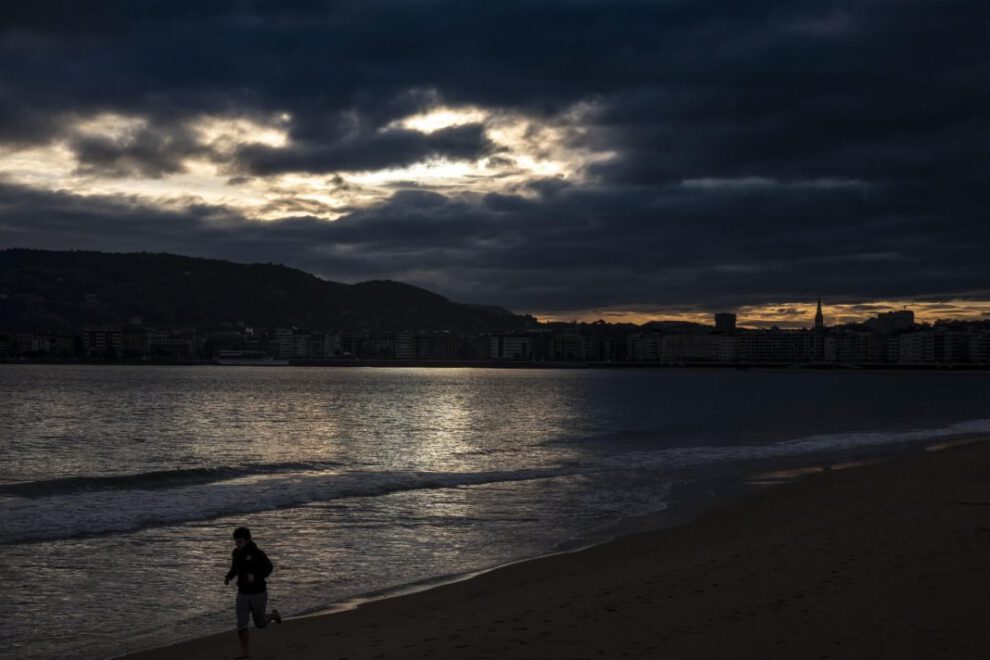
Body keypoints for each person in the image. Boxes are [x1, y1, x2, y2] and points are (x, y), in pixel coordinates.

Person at [224, 526, 281, 658]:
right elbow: (235, 568)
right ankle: (245, 653)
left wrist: (255, 576)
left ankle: (273, 615)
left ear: (247, 540)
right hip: (242, 593)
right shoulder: (236, 553)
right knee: (241, 623)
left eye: (239, 541)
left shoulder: (258, 553)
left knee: (260, 624)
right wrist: (228, 577)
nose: (237, 544)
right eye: (235, 541)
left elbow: (269, 568)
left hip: (258, 593)